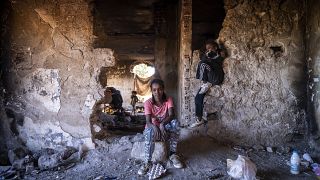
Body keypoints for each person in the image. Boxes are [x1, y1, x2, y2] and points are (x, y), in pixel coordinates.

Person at [138, 79, 183, 175]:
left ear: (163, 89)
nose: (157, 92)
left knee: (176, 123)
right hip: (153, 126)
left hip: (165, 125)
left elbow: (171, 115)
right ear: (151, 90)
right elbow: (148, 122)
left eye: (159, 89)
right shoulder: (148, 103)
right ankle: (147, 162)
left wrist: (162, 124)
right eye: (154, 90)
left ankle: (172, 154)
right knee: (149, 131)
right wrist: (155, 127)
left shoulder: (168, 100)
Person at [190, 40, 225, 128]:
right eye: (207, 49)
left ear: (216, 47)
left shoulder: (219, 54)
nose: (208, 50)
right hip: (210, 79)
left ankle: (205, 82)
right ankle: (199, 119)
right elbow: (203, 58)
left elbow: (222, 56)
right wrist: (207, 55)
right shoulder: (208, 56)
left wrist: (216, 53)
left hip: (216, 78)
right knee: (198, 97)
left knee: (202, 64)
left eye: (210, 48)